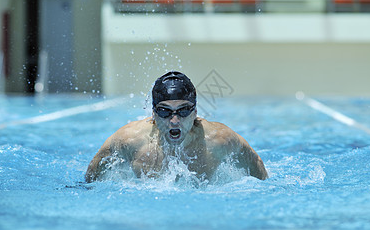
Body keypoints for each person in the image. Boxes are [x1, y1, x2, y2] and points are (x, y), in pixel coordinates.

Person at [85, 71, 268, 183]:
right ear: (154, 114)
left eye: (183, 111)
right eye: (165, 112)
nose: (174, 120)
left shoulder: (219, 140)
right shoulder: (130, 140)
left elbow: (257, 167)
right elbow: (92, 176)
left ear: (195, 113)